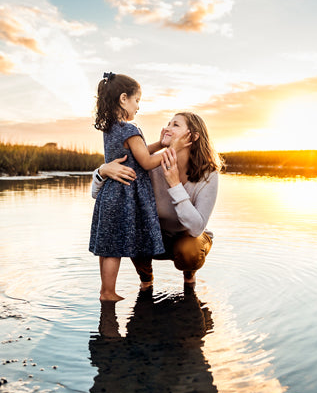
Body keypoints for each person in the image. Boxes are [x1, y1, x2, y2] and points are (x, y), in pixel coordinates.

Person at [92, 112, 222, 288]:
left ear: (193, 136)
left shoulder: (209, 175)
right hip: (154, 238)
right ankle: (146, 281)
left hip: (188, 238)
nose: (167, 128)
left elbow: (197, 228)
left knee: (189, 251)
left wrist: (175, 184)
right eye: (168, 123)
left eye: (175, 125)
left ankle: (189, 276)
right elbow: (97, 194)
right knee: (133, 227)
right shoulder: (151, 167)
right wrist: (102, 171)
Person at [89, 72, 178, 302]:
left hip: (109, 192)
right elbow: (146, 162)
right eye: (137, 100)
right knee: (115, 249)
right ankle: (108, 294)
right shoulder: (130, 129)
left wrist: (160, 144)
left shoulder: (110, 129)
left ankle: (105, 290)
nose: (138, 106)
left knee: (108, 247)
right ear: (123, 99)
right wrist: (172, 150)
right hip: (124, 195)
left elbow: (136, 154)